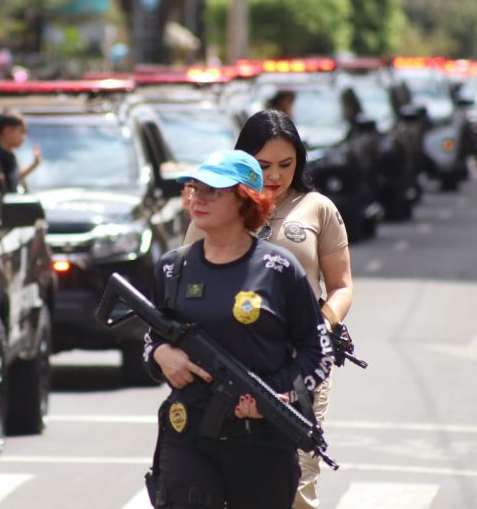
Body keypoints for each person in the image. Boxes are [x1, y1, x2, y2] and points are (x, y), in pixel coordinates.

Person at [144, 149, 334, 509]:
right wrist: (161, 354)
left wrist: (279, 396)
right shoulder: (173, 268)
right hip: (188, 436)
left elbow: (317, 350)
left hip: (261, 441)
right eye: (194, 188)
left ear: (246, 200)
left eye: (213, 191)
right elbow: (153, 336)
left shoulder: (279, 270)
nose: (197, 198)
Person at [182, 109, 352, 509]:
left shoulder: (318, 209)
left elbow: (341, 286)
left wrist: (320, 325)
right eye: (263, 166)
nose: (275, 176)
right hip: (225, 363)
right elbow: (185, 282)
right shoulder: (217, 206)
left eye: (285, 165)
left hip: (298, 366)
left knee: (296, 484)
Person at [0, 109, 41, 195]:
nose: (24, 137)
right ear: (8, 131)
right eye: (21, 132)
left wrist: (34, 164)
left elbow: (14, 177)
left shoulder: (8, 154)